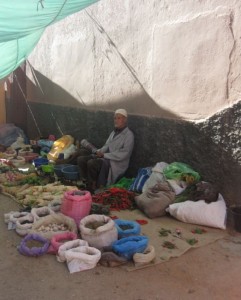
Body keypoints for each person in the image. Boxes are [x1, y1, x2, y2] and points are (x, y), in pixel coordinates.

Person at [77, 109, 134, 192]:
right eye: (115, 118)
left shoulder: (129, 135)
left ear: (125, 120)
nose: (116, 121)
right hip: (107, 157)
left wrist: (104, 155)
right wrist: (100, 152)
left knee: (92, 163)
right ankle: (85, 181)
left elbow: (125, 153)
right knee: (81, 159)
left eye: (119, 118)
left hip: (116, 163)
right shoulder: (114, 132)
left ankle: (93, 186)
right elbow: (107, 145)